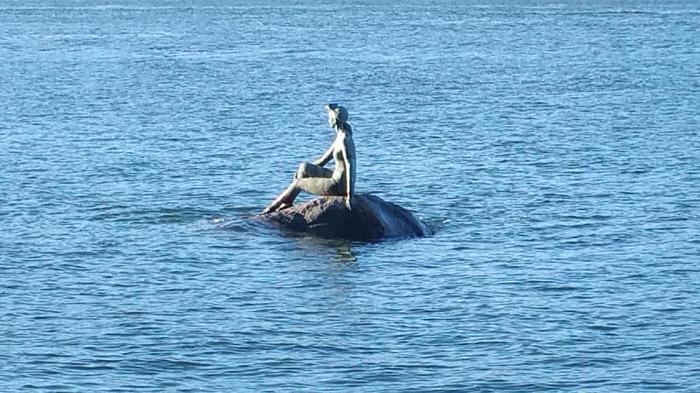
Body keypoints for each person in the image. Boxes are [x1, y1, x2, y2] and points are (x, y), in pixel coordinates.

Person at [262, 104, 356, 214]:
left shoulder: (345, 139)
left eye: (329, 118)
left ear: (334, 120)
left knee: (298, 184)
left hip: (338, 186)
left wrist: (350, 195)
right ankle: (287, 201)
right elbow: (323, 160)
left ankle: (270, 209)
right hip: (336, 178)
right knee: (304, 167)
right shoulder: (340, 137)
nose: (327, 120)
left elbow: (351, 166)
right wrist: (301, 171)